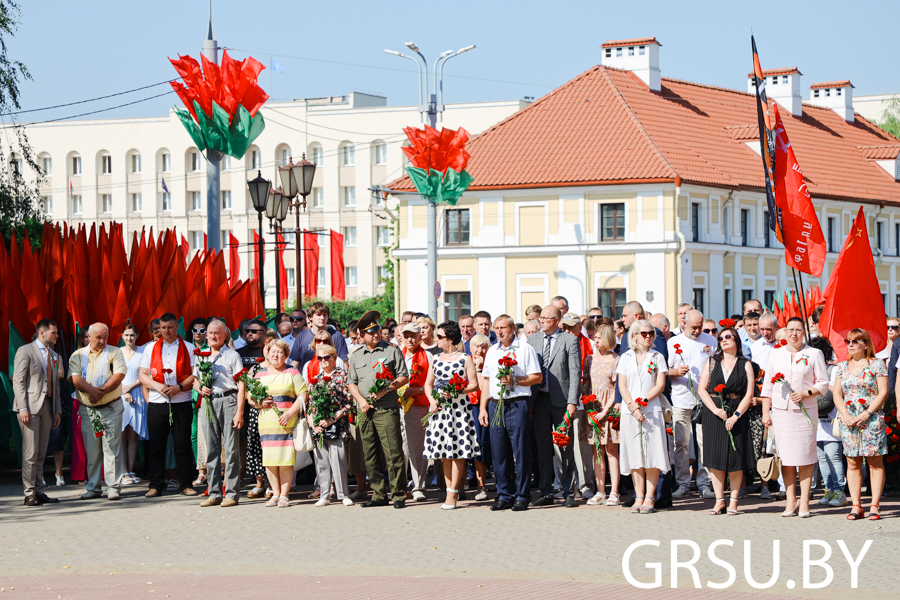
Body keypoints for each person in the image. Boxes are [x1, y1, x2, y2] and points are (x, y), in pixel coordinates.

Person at [760, 316, 829, 518]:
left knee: (806, 457)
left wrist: (807, 393)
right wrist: (766, 412)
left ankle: (805, 501)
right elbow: (768, 387)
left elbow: (823, 382)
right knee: (787, 458)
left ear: (804, 333)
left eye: (799, 330)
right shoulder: (776, 354)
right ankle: (791, 499)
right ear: (785, 331)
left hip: (806, 412)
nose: (794, 334)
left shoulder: (814, 353)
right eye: (791, 329)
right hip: (781, 412)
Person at [479, 315, 542, 511]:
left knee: (520, 451)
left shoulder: (525, 349)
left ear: (513, 328)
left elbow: (537, 377)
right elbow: (487, 380)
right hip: (496, 403)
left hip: (517, 403)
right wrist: (483, 407)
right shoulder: (492, 351)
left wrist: (515, 380)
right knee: (499, 452)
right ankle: (504, 494)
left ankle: (522, 495)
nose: (499, 331)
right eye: (496, 328)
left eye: (503, 328)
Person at [348, 311, 410, 508]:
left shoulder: (391, 350)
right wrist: (360, 401)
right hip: (365, 410)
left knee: (392, 453)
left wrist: (386, 389)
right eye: (370, 332)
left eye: (377, 330)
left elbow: (403, 376)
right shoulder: (356, 355)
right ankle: (378, 494)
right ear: (362, 336)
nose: (375, 334)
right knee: (370, 454)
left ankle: (398, 495)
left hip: (387, 408)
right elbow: (352, 383)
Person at [697, 325, 755, 515]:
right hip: (714, 414)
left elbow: (749, 394)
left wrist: (736, 415)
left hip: (737, 411)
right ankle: (719, 500)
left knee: (736, 459)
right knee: (716, 459)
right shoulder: (712, 361)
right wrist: (714, 409)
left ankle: (734, 502)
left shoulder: (745, 364)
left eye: (728, 336)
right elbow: (701, 389)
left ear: (736, 340)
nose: (724, 340)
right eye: (721, 338)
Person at [138, 312, 198, 498]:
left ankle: (186, 483)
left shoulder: (188, 347)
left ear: (176, 327)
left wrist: (178, 387)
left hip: (181, 401)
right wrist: (157, 386)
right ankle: (156, 484)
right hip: (158, 402)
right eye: (162, 328)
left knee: (182, 444)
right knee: (156, 445)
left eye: (170, 327)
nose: (166, 331)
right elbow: (142, 375)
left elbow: (195, 375)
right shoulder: (150, 348)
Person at [528, 305, 581, 507]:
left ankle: (568, 491)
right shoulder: (532, 340)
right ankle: (546, 491)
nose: (541, 321)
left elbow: (575, 372)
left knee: (565, 446)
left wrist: (572, 402)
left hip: (562, 402)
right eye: (540, 317)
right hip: (539, 400)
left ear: (557, 321)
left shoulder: (569, 340)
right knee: (543, 449)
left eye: (546, 318)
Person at [423, 321, 480, 509]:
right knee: (444, 454)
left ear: (449, 339)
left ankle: (454, 492)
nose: (436, 340)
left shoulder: (465, 358)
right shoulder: (436, 358)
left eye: (439, 336)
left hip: (458, 411)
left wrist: (457, 390)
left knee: (458, 453)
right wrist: (432, 401)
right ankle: (449, 490)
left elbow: (474, 384)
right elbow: (428, 384)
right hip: (440, 411)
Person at [616, 319, 670, 513]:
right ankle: (638, 495)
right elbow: (622, 385)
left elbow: (660, 385)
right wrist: (632, 406)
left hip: (651, 410)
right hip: (629, 411)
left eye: (651, 334)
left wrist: (641, 402)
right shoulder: (626, 357)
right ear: (634, 335)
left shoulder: (657, 357)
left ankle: (650, 496)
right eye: (644, 333)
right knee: (635, 455)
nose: (648, 337)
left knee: (652, 454)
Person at [69, 323, 128, 500]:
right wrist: (92, 392)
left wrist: (100, 391)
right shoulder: (78, 355)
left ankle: (113, 487)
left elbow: (118, 376)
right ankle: (93, 487)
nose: (102, 341)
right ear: (89, 336)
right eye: (98, 338)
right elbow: (75, 378)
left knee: (112, 448)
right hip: (89, 409)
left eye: (105, 337)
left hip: (111, 406)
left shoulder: (115, 352)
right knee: (92, 450)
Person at [193, 319, 245, 507]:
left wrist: (239, 411)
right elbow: (195, 379)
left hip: (229, 400)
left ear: (224, 335)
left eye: (217, 333)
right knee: (211, 448)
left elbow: (241, 384)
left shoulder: (232, 355)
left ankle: (231, 493)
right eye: (210, 333)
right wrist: (200, 388)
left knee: (231, 448)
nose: (213, 336)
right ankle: (214, 493)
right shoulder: (201, 355)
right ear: (206, 335)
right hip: (209, 402)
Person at [837, 329, 888, 520]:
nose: (850, 344)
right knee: (852, 462)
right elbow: (836, 394)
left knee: (875, 462)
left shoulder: (876, 365)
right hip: (849, 421)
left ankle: (875, 505)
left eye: (856, 341)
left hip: (872, 419)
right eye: (848, 341)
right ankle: (856, 505)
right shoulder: (842, 366)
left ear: (866, 344)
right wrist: (844, 414)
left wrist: (867, 413)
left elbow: (883, 392)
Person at [667, 310, 718, 500]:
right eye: (693, 327)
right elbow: (664, 370)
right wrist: (676, 371)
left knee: (704, 443)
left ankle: (704, 483)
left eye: (699, 326)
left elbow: (715, 366)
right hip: (681, 400)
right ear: (684, 323)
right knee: (681, 443)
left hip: (704, 400)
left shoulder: (710, 340)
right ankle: (683, 484)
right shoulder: (673, 342)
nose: (696, 331)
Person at [13, 319, 62, 506]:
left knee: (41, 452)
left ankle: (40, 490)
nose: (57, 335)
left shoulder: (54, 356)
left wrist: (57, 410)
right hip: (30, 408)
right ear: (42, 333)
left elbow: (55, 385)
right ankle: (29, 493)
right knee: (30, 452)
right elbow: (18, 381)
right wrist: (22, 407)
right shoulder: (25, 351)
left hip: (48, 408)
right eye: (54, 332)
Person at [254, 339, 308, 507]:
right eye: (273, 352)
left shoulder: (292, 372)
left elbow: (303, 395)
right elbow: (251, 397)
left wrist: (290, 412)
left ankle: (284, 494)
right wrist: (258, 402)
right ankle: (275, 494)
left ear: (286, 355)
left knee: (285, 460)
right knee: (270, 460)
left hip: (286, 423)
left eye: (280, 352)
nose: (276, 355)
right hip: (266, 423)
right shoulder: (259, 374)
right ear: (267, 354)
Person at [306, 344, 354, 506]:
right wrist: (313, 424)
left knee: (339, 460)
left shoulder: (342, 376)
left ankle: (343, 495)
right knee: (322, 462)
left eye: (327, 357)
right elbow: (311, 405)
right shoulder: (316, 379)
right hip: (319, 427)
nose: (323, 360)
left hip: (337, 426)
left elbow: (348, 403)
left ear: (334, 358)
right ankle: (324, 495)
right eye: (320, 358)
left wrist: (331, 419)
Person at [561, 312, 597, 500]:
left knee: (581, 445)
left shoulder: (587, 343)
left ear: (578, 326)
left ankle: (585, 484)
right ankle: (564, 485)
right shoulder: (559, 341)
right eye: (564, 327)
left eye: (570, 327)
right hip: (561, 400)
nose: (566, 330)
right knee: (562, 443)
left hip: (583, 400)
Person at [585, 323, 621, 506]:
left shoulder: (616, 360)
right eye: (595, 338)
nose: (596, 341)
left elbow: (616, 389)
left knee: (611, 450)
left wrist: (606, 410)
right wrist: (590, 408)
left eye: (599, 338)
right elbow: (587, 385)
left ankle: (614, 491)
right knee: (596, 450)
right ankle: (600, 491)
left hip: (608, 408)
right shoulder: (590, 359)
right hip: (593, 409)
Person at [398, 322, 434, 502]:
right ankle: (400, 486)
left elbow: (432, 384)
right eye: (406, 336)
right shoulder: (397, 354)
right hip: (398, 406)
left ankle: (418, 486)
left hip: (418, 405)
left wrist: (417, 391)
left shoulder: (427, 355)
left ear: (420, 336)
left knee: (416, 447)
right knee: (401, 448)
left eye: (413, 335)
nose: (409, 339)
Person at [809, 336, 846, 508]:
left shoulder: (834, 370)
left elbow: (838, 391)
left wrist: (821, 386)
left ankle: (839, 491)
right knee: (822, 458)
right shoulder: (809, 371)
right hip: (815, 420)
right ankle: (829, 489)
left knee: (833, 456)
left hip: (831, 420)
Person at [236, 319, 268, 498]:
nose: (249, 333)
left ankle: (268, 483)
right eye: (247, 330)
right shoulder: (237, 354)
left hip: (266, 405)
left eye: (255, 331)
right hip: (245, 405)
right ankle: (241, 479)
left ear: (264, 333)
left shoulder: (269, 352)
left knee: (265, 443)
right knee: (244, 443)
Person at [120, 324, 147, 486]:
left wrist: (130, 387)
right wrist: (124, 391)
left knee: (133, 435)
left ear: (137, 336)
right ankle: (123, 472)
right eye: (126, 335)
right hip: (120, 395)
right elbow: (113, 375)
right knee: (122, 435)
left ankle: (130, 470)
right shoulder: (116, 353)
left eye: (132, 335)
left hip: (138, 396)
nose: (129, 338)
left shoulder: (143, 353)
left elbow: (146, 373)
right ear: (122, 336)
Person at [287, 302, 348, 372]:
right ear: (310, 317)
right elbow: (295, 362)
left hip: (331, 380)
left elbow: (344, 364)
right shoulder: (302, 336)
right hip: (307, 379)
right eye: (318, 315)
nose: (322, 318)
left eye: (325, 315)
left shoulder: (337, 336)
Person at [468, 333, 492, 500]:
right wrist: (477, 367)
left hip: (490, 405)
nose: (480, 350)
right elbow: (473, 385)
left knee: (490, 445)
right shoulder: (467, 361)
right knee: (477, 445)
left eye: (483, 346)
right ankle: (480, 486)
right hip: (471, 407)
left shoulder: (492, 360)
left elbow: (488, 386)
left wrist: (482, 367)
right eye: (477, 346)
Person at [187, 318, 209, 488]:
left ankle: (212, 469)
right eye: (196, 330)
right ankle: (201, 470)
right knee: (194, 434)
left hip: (207, 395)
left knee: (208, 435)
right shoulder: (187, 349)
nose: (198, 333)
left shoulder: (211, 350)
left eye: (203, 330)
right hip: (189, 395)